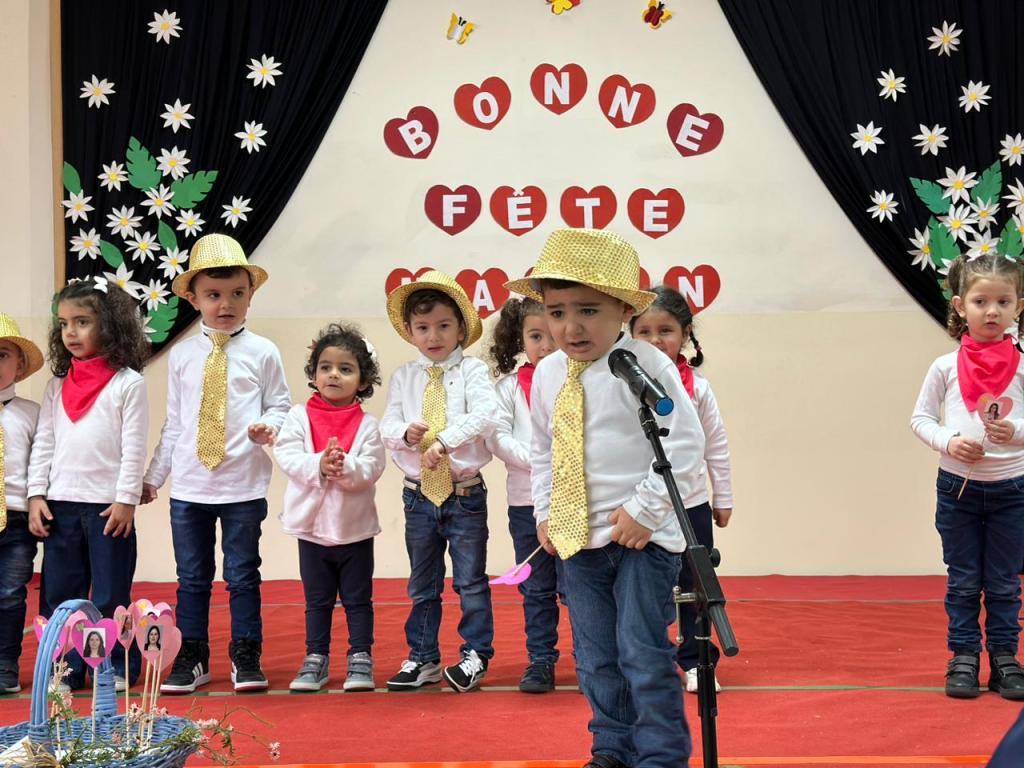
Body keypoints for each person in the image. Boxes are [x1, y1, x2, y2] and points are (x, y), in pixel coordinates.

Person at [506, 228, 706, 768]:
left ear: (623, 310)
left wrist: (644, 510)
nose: (570, 327)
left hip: (642, 539)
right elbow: (543, 450)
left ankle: (660, 754)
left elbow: (685, 444)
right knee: (595, 656)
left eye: (589, 311)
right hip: (579, 541)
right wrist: (546, 512)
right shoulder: (547, 375)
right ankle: (612, 749)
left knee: (641, 650)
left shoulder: (644, 365)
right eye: (556, 312)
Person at [141, 233, 291, 694]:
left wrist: (269, 425)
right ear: (193, 298)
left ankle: (246, 652)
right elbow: (175, 422)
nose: (225, 304)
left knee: (243, 575)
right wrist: (154, 476)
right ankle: (193, 654)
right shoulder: (183, 355)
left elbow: (281, 405)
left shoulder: (263, 352)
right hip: (190, 488)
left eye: (236, 294)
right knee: (192, 577)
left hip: (243, 485)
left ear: (250, 295)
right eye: (213, 295)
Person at [910, 252, 1024, 700]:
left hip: (1013, 490)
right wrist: (948, 441)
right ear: (960, 306)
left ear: (1019, 306)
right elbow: (920, 419)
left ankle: (1005, 658)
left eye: (1003, 302)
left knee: (1004, 581)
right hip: (957, 490)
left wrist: (1015, 432)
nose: (992, 311)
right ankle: (963, 656)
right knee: (962, 579)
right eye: (980, 302)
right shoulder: (944, 366)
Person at [27, 280, 148, 692]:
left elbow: (133, 447)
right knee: (60, 593)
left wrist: (126, 500)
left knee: (111, 592)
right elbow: (44, 442)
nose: (71, 332)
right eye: (64, 324)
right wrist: (36, 494)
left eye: (82, 322)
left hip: (107, 509)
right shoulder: (57, 385)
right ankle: (64, 668)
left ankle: (113, 666)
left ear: (109, 324)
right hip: (60, 504)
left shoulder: (128, 383)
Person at [380, 271, 498, 692]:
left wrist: (445, 441)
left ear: (461, 329)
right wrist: (405, 434)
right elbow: (387, 425)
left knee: (470, 581)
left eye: (444, 325)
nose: (434, 336)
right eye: (423, 327)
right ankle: (422, 656)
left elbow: (485, 414)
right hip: (418, 497)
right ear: (410, 332)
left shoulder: (473, 371)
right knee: (422, 583)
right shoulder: (404, 377)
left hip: (464, 494)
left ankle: (475, 655)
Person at [630, 284, 733, 694]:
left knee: (697, 583)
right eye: (644, 332)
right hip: (644, 508)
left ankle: (697, 659)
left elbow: (716, 446)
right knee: (644, 586)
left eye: (666, 330)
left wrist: (723, 497)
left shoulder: (699, 389)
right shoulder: (621, 384)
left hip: (690, 503)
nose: (655, 341)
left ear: (685, 334)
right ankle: (646, 658)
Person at [274, 323, 385, 693]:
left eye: (345, 368)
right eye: (326, 367)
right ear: (314, 374)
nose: (334, 374)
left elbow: (372, 468)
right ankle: (316, 657)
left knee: (358, 600)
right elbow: (287, 455)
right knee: (317, 601)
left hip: (355, 530)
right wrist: (319, 464)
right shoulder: (298, 416)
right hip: (311, 530)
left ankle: (360, 656)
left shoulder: (368, 425)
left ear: (363, 380)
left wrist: (344, 466)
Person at [486, 296, 563, 693]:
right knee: (536, 587)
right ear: (520, 339)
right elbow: (497, 437)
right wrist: (540, 461)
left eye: (552, 336)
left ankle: (592, 657)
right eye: (535, 336)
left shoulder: (577, 380)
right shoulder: (508, 388)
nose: (545, 346)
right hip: (526, 504)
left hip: (573, 504)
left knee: (581, 587)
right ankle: (541, 659)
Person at [0, 314, 43, 693]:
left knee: (11, 594)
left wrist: (36, 502)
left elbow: (41, 464)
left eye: (2, 355)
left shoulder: (32, 413)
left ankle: (5, 664)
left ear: (19, 365)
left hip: (15, 519)